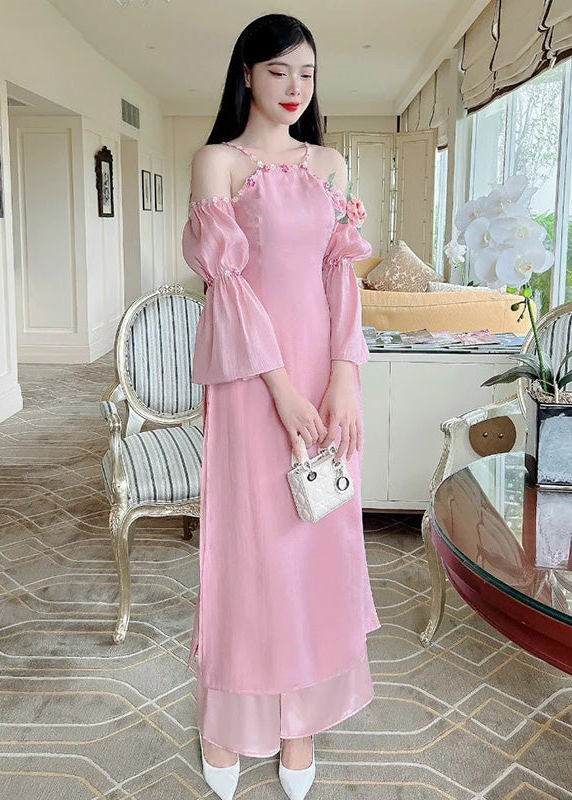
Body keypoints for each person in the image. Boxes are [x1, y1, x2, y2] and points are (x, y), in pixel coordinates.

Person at [181, 13, 381, 800]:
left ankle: (299, 721)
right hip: (251, 379)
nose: (295, 87)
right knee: (251, 547)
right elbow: (226, 288)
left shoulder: (329, 164)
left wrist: (343, 377)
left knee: (315, 544)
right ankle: (228, 719)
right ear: (246, 75)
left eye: (307, 72)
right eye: (278, 71)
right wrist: (282, 388)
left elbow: (341, 277)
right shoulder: (218, 163)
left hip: (323, 377)